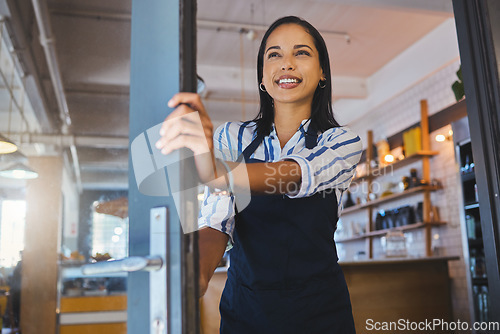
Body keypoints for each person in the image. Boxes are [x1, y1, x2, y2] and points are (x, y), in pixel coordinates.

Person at [156, 15, 362, 334]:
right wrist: (196, 273)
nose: (287, 63)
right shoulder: (230, 138)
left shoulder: (341, 142)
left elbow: (294, 174)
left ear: (323, 73)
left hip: (321, 314)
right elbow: (216, 220)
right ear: (263, 78)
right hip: (247, 312)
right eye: (274, 54)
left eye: (302, 53)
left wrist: (217, 172)